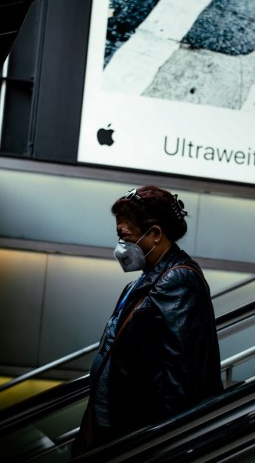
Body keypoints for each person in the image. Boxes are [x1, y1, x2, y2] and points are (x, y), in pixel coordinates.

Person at [72, 185, 224, 456]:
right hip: (114, 429)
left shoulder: (178, 281)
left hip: (138, 438)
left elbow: (182, 380)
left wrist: (156, 445)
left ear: (155, 234)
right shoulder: (146, 279)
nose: (121, 247)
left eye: (125, 236)